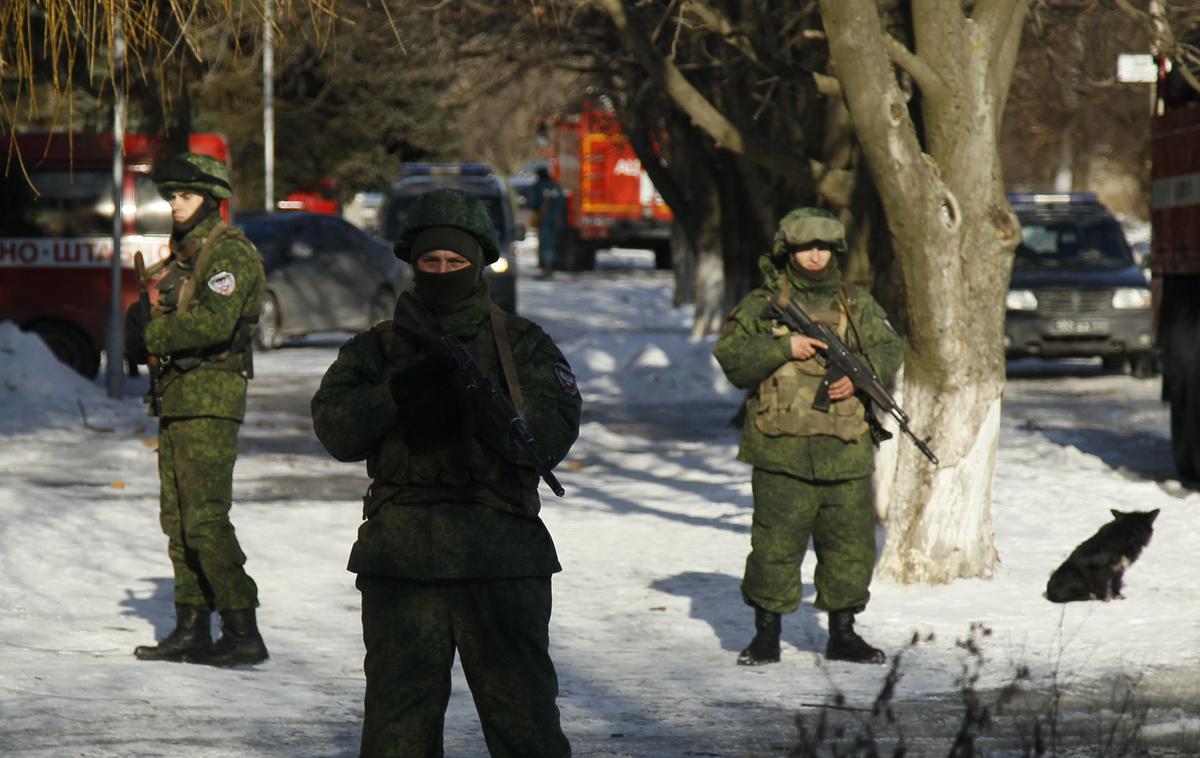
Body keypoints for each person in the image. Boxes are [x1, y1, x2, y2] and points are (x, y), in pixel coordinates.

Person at [311, 188, 581, 757]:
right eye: (430, 262)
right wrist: (397, 395)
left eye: (455, 262)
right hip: (402, 556)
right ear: (413, 264)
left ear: (478, 262)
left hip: (500, 552)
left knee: (524, 721)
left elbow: (549, 440)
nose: (441, 272)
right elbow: (336, 429)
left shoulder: (523, 346)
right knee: (397, 727)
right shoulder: (378, 349)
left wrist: (477, 406)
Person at [712, 207, 904, 666]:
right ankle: (766, 637)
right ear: (787, 252)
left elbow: (890, 347)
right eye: (804, 248)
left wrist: (858, 379)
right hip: (781, 453)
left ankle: (843, 633)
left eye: (823, 248)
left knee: (850, 548)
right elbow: (733, 359)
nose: (815, 256)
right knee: (774, 548)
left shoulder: (857, 305)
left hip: (846, 451)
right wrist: (783, 346)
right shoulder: (764, 304)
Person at [125, 152, 269, 667]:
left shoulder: (227, 253)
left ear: (211, 199)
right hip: (180, 398)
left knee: (206, 520)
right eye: (172, 197)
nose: (176, 205)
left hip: (210, 398)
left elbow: (214, 322)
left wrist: (154, 334)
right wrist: (139, 326)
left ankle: (241, 628)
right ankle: (192, 627)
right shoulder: (186, 255)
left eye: (185, 196)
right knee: (178, 519)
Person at [528, 166, 566, 278]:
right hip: (557, 220)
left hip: (545, 219)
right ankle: (552, 266)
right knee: (553, 243)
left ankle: (546, 268)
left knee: (545, 244)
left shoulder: (538, 186)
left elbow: (532, 203)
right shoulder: (556, 185)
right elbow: (563, 204)